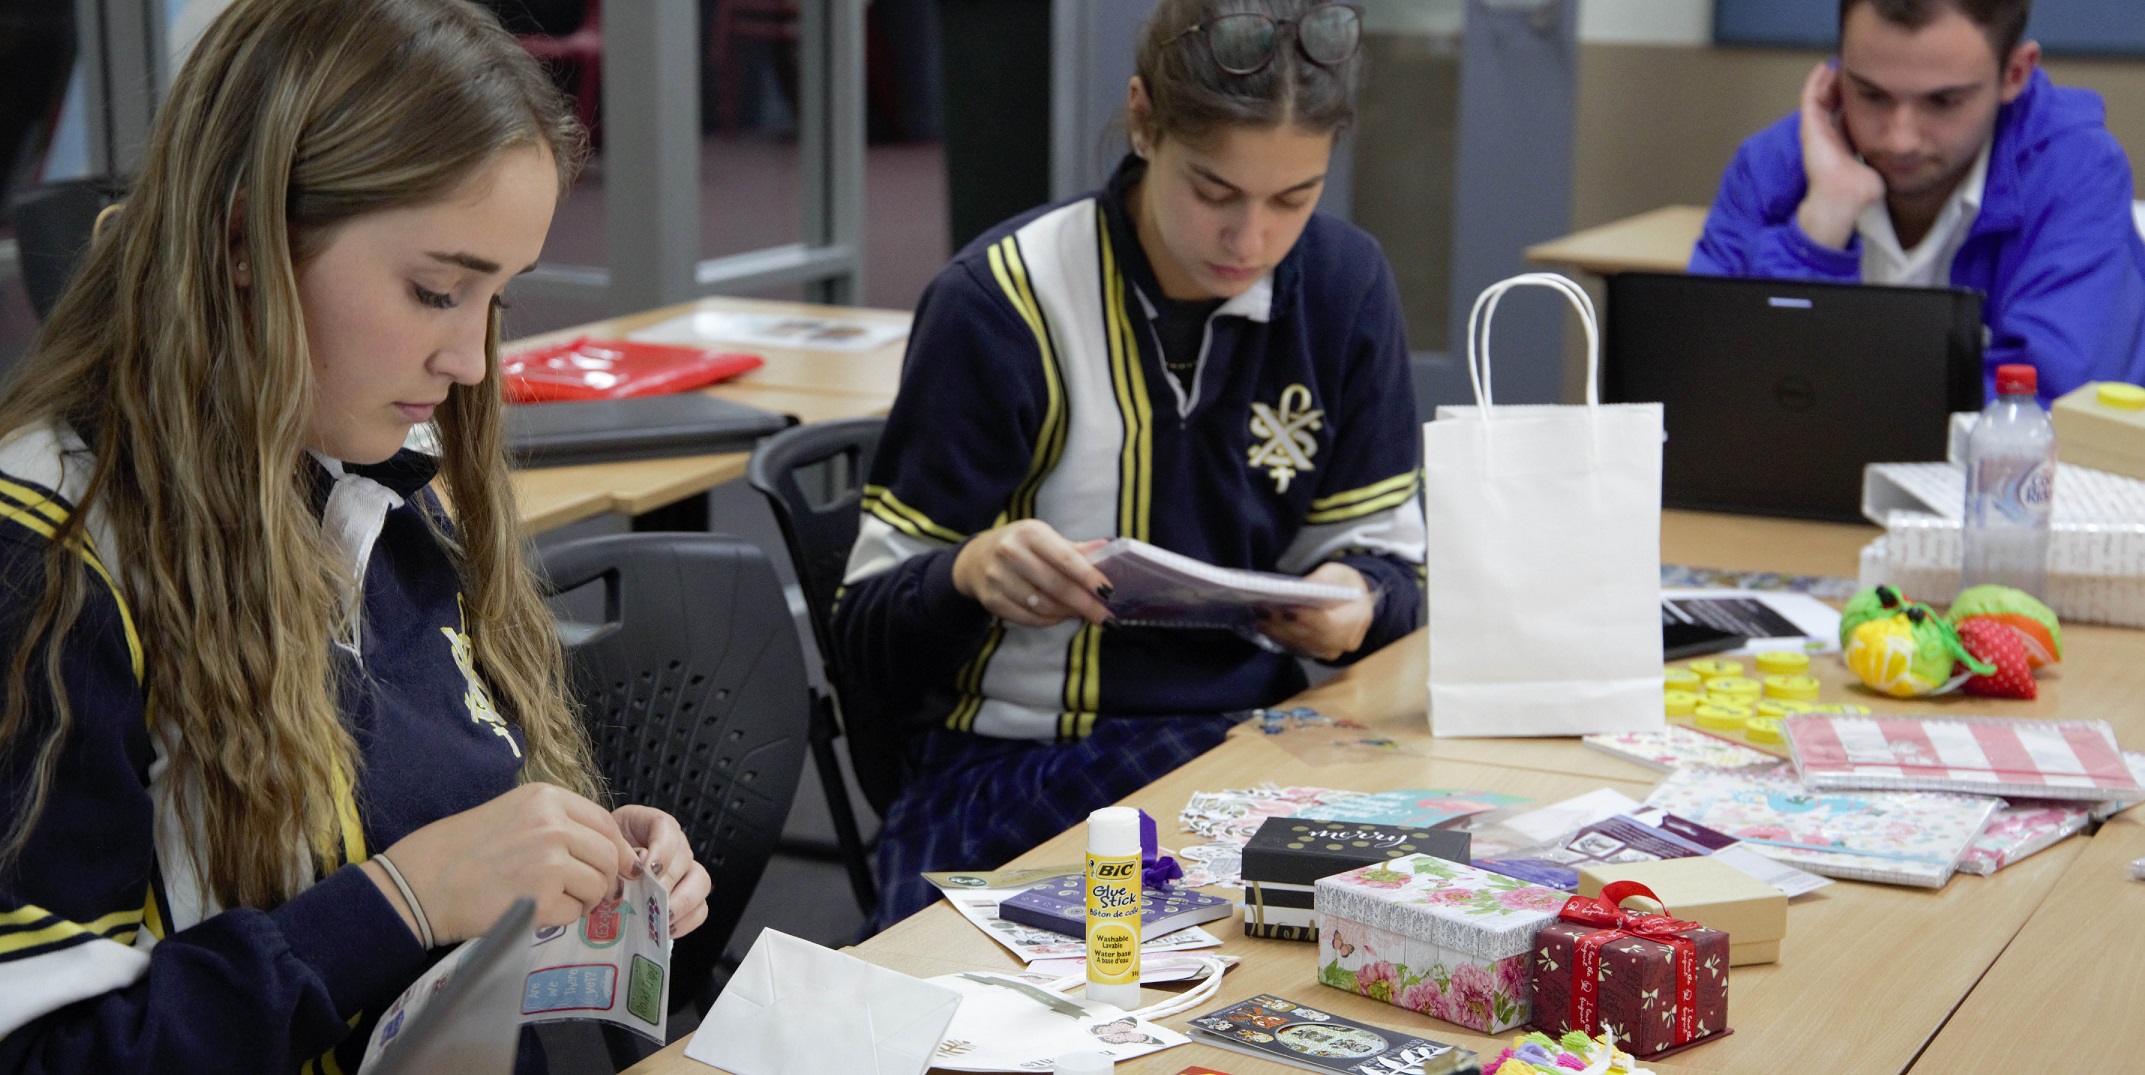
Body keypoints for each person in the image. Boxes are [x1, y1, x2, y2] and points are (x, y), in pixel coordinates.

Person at [0, 0, 712, 1070]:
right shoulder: (50, 561)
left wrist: (574, 863)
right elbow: (49, 1055)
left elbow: (420, 834)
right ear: (243, 242)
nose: (470, 361)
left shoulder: (360, 471)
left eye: (496, 301)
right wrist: (403, 898)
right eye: (436, 290)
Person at [834, 0, 1426, 929]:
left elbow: (1397, 575)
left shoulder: (1343, 286)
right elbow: (862, 633)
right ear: (1143, 120)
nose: (1250, 241)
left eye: (1292, 199)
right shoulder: (1002, 302)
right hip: (1014, 768)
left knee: (1435, 906)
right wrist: (967, 573)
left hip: (1253, 748)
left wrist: (1359, 600)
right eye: (1213, 191)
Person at [1690, 0, 2145, 404]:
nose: (1900, 139)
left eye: (1943, 101)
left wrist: (1837, 399)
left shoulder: (2075, 172)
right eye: (1871, 94)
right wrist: (1817, 232)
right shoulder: (1769, 169)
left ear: (2014, 74)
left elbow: (2047, 408)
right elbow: (1705, 386)